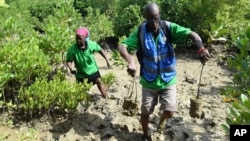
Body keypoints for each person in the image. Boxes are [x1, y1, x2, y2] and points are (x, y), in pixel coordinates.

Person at [118, 2, 210, 141]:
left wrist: (201, 49)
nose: (154, 23)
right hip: (149, 80)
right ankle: (144, 134)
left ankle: (161, 123)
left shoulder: (168, 27)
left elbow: (193, 35)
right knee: (145, 113)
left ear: (159, 16)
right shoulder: (140, 31)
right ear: (144, 18)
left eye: (156, 18)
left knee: (170, 112)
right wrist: (130, 61)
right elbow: (122, 46)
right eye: (150, 19)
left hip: (168, 79)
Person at [66, 27, 112, 99]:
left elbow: (100, 50)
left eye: (80, 38)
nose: (78, 40)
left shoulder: (91, 44)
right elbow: (69, 60)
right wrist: (70, 67)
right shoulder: (72, 49)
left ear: (85, 38)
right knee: (80, 91)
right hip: (81, 74)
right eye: (76, 38)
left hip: (93, 70)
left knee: (99, 82)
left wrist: (107, 61)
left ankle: (105, 97)